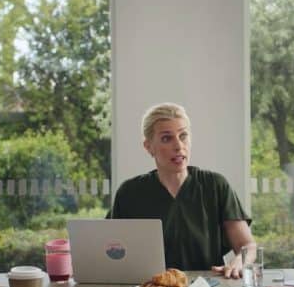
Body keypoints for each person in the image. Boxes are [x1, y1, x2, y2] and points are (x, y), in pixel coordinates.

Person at [108, 103, 253, 277]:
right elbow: (111, 250)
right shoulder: (129, 193)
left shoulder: (215, 185)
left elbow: (247, 246)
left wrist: (239, 261)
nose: (178, 146)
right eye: (166, 139)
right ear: (148, 147)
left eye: (183, 136)